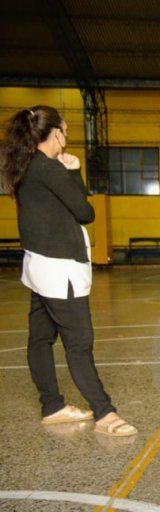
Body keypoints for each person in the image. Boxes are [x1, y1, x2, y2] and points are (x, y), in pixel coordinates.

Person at [0, 105, 137, 436]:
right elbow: (84, 211)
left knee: (41, 338)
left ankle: (53, 406)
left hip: (39, 267)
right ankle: (105, 414)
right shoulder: (49, 168)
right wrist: (74, 171)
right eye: (66, 131)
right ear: (54, 134)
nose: (68, 137)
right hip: (60, 270)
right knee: (79, 343)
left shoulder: (25, 165)